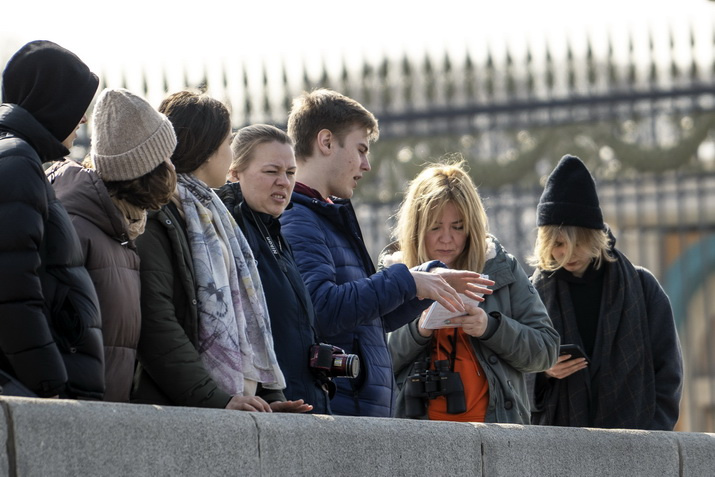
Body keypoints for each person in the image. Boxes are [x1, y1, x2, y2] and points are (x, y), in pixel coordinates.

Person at [280, 89, 476, 417]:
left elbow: (367, 319)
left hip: (353, 408)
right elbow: (322, 309)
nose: (366, 165)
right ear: (326, 142)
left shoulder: (325, 215)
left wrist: (427, 282)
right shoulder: (299, 219)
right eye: (360, 150)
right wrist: (407, 282)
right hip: (339, 409)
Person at [133, 91, 310, 413]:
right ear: (206, 148)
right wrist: (216, 400)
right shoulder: (159, 214)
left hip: (224, 406)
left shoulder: (214, 216)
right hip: (185, 410)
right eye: (227, 143)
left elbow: (248, 319)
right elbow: (158, 322)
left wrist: (270, 400)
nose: (231, 153)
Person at [383, 161, 559, 423]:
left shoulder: (501, 268)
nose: (447, 238)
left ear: (472, 227)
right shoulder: (394, 275)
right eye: (434, 227)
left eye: (458, 226)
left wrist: (490, 327)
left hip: (496, 433)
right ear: (417, 228)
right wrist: (418, 330)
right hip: (416, 436)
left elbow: (546, 351)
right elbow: (374, 362)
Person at [529, 154, 683, 430]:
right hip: (558, 447)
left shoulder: (642, 287)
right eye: (558, 244)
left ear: (595, 237)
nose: (566, 254)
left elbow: (668, 369)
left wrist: (656, 431)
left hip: (637, 440)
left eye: (578, 244)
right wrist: (543, 371)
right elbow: (510, 372)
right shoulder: (533, 294)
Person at [47, 88, 178, 402]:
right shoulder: (82, 229)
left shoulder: (123, 227)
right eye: (166, 157)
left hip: (110, 417)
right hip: (80, 417)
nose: (173, 167)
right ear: (146, 170)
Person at [0, 40, 104, 399]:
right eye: (79, 107)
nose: (84, 119)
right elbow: (12, 285)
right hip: (39, 389)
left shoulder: (19, 157)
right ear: (55, 104)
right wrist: (48, 382)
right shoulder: (17, 159)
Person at [217, 124, 331, 414]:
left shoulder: (274, 232)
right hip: (263, 412)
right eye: (271, 171)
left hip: (295, 406)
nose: (284, 182)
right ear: (234, 173)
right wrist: (269, 398)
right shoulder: (230, 231)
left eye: (290, 173)